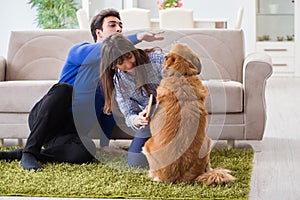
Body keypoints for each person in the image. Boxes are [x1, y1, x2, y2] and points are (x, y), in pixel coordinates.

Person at [0, 8, 164, 170]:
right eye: (113, 25)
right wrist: (138, 37)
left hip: (69, 133)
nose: (119, 29)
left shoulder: (116, 73)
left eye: (121, 25)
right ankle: (30, 151)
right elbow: (103, 49)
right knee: (63, 90)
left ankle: (22, 154)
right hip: (48, 118)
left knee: (86, 151)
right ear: (99, 32)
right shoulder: (79, 51)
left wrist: (105, 143)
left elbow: (110, 109)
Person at [100, 33, 165, 168]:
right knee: (135, 162)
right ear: (113, 65)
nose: (129, 64)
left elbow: (183, 80)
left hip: (174, 114)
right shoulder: (119, 81)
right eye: (121, 62)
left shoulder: (156, 60)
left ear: (133, 51)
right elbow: (129, 113)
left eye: (129, 56)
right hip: (151, 121)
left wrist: (163, 98)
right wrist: (138, 119)